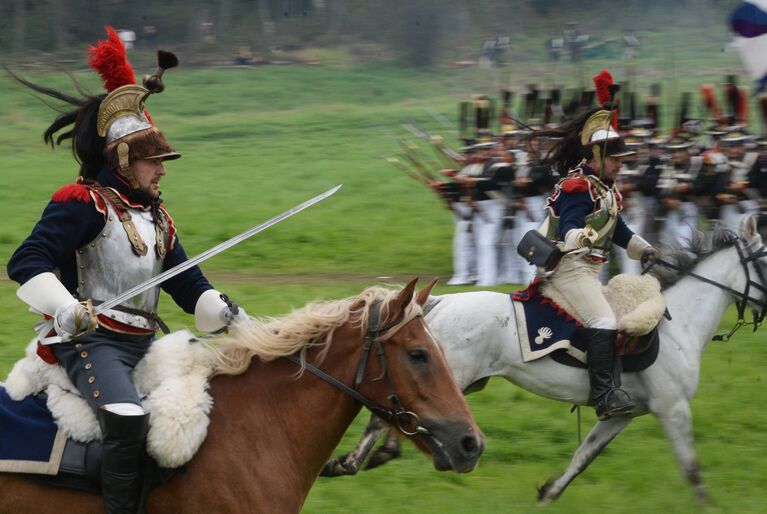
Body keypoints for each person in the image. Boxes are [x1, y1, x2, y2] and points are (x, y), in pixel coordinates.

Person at [6, 27, 246, 514]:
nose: (162, 170)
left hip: (141, 343)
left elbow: (187, 284)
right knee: (127, 419)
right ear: (121, 158)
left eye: (162, 161)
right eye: (153, 161)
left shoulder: (157, 219)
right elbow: (25, 263)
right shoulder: (81, 204)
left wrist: (222, 309)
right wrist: (67, 309)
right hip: (88, 343)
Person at [529, 107, 658, 420]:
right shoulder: (579, 187)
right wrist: (581, 236)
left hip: (589, 271)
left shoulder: (606, 190)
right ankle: (603, 397)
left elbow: (618, 230)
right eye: (615, 159)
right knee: (604, 322)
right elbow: (569, 225)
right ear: (596, 156)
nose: (620, 165)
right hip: (569, 270)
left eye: (622, 160)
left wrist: (646, 251)